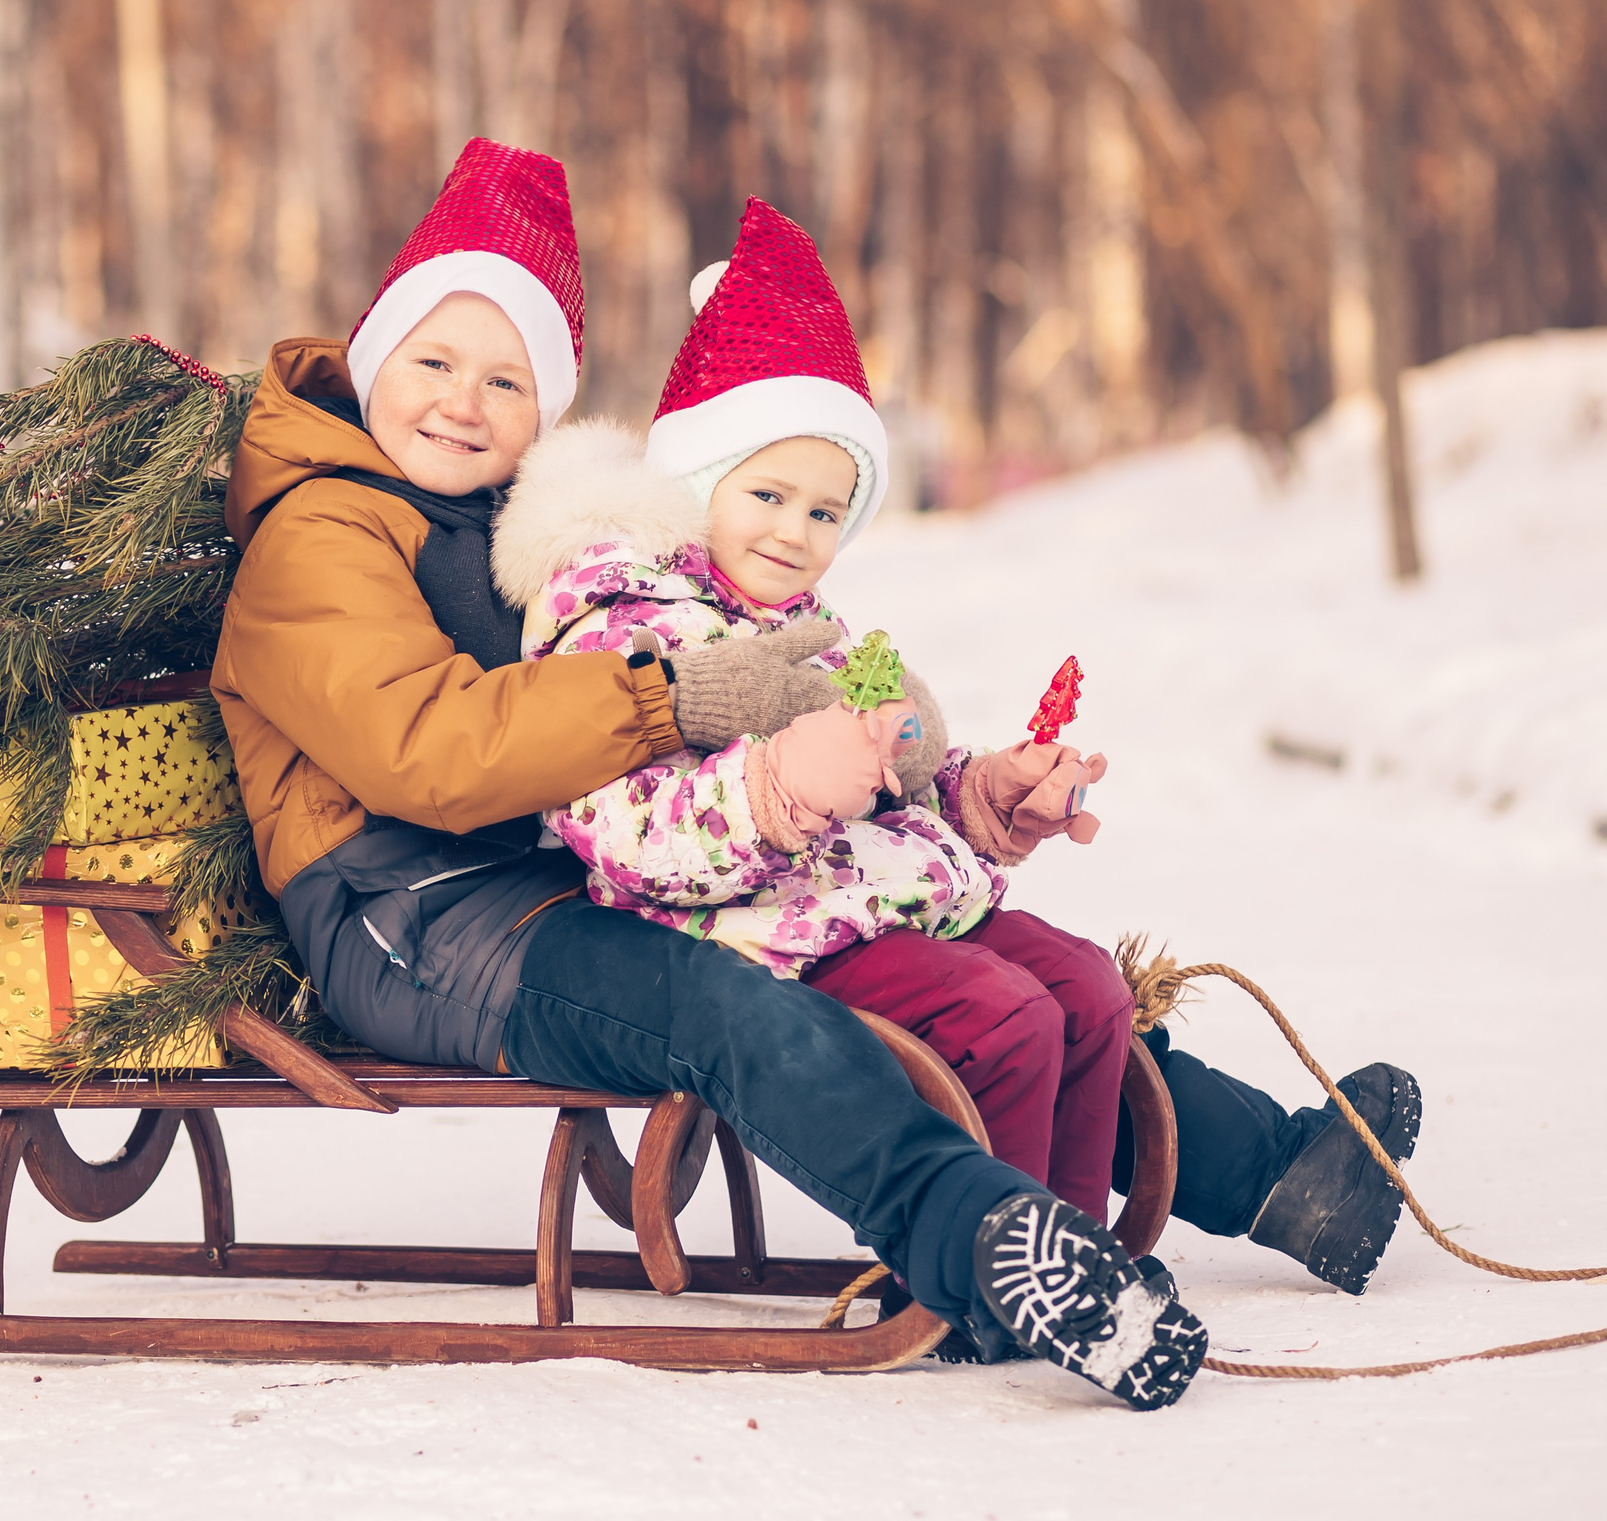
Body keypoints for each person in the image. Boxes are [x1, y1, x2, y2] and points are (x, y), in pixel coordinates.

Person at [209, 138, 1208, 1407]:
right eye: (435, 362)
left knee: (949, 982)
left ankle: (1148, 1203)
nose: (464, 403)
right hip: (403, 913)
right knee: (729, 1007)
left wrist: (939, 778)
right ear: (373, 358)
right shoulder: (318, 531)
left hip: (538, 875)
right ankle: (981, 1240)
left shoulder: (483, 512)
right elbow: (427, 749)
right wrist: (674, 699)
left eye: (508, 380)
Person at [488, 194, 1423, 1316]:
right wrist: (779, 793)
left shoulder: (816, 623)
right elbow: (624, 825)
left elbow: (905, 767)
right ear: (696, 481)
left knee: (1084, 985)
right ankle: (1000, 1281)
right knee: (1003, 1014)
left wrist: (985, 792)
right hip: (743, 931)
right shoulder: (624, 619)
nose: (793, 530)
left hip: (864, 900)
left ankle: (1076, 1257)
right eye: (767, 494)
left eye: (825, 512)